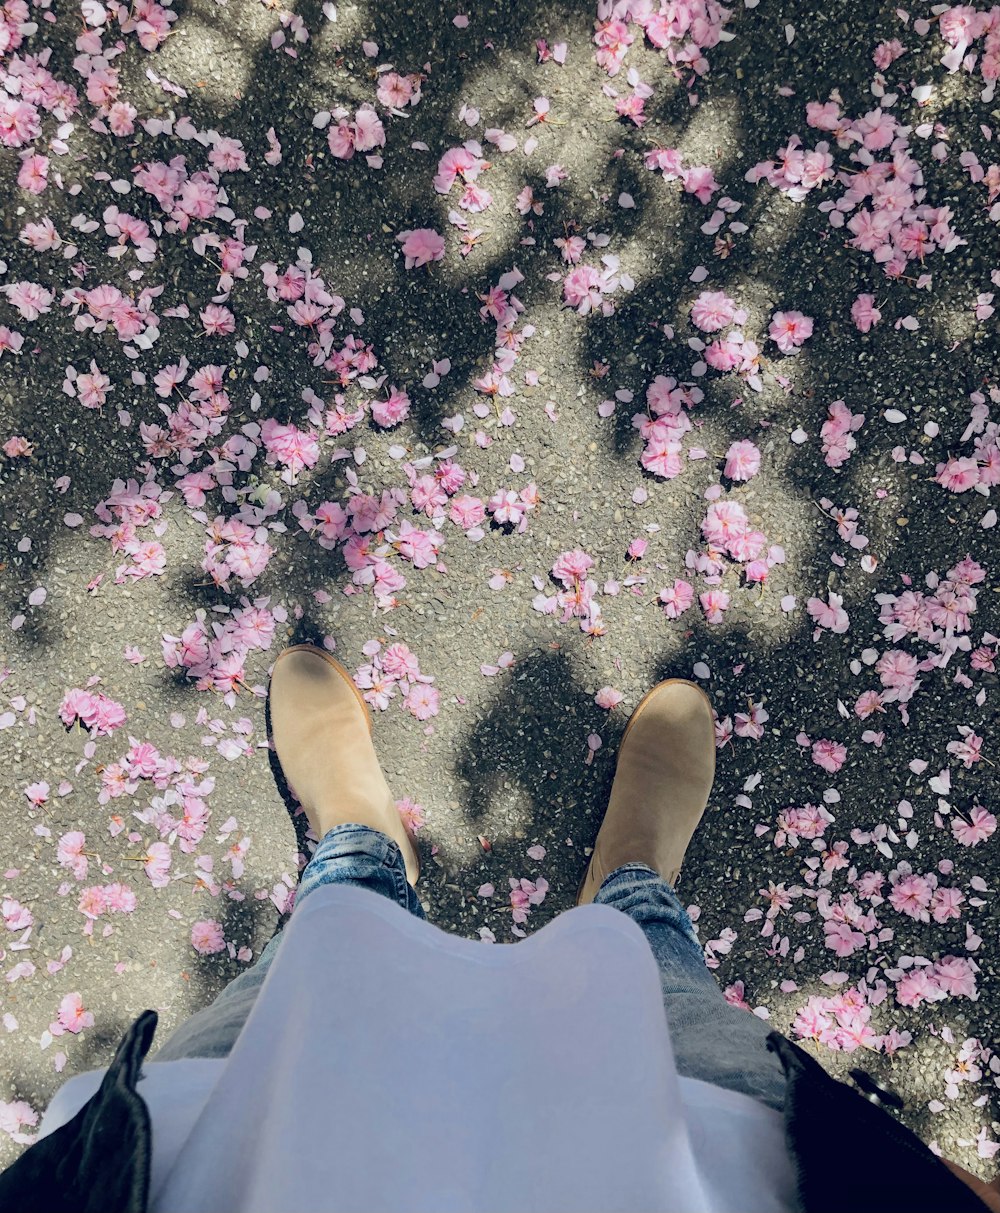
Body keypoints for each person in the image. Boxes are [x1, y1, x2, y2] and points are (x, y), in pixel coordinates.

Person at [1, 644, 997, 1213]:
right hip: (717, 1174)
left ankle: (354, 854)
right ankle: (635, 886)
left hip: (210, 1172)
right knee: (662, 1012)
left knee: (297, 1001)